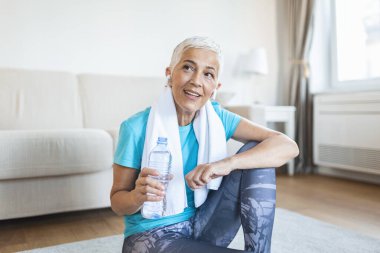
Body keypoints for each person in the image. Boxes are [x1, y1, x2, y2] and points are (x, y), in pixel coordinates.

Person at [110, 36, 299, 253]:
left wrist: (228, 163)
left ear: (215, 86)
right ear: (169, 74)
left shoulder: (217, 117)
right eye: (188, 68)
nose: (197, 81)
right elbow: (117, 202)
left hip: (203, 222)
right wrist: (137, 196)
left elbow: (287, 145)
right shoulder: (135, 128)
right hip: (150, 235)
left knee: (254, 155)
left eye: (208, 74)